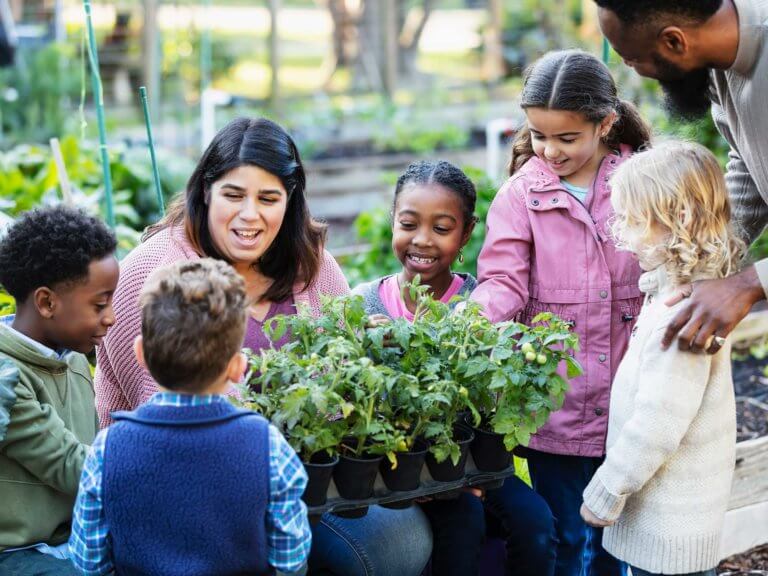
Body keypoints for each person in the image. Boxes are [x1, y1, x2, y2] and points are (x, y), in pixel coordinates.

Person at [94, 117, 432, 576]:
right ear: (206, 191)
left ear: (289, 201)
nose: (250, 215)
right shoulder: (153, 272)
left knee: (406, 540)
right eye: (234, 195)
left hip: (308, 476)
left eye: (268, 198)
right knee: (380, 550)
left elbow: (347, 379)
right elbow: (164, 408)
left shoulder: (313, 267)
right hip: (192, 484)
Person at [470, 49, 652, 576]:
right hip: (557, 405)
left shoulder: (640, 186)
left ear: (606, 123)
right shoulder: (521, 197)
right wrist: (472, 324)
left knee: (622, 538)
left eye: (566, 138)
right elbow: (502, 280)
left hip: (628, 403)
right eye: (539, 135)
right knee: (568, 537)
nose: (549, 150)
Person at [354, 160, 557, 576]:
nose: (422, 240)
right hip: (394, 471)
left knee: (535, 523)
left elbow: (496, 399)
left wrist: (468, 472)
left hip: (472, 464)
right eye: (409, 224)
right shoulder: (364, 305)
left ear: (466, 233)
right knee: (461, 523)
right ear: (393, 221)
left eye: (442, 229)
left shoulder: (480, 304)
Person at [70, 258, 312, 575]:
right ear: (238, 367)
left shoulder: (107, 449)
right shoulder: (268, 446)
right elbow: (291, 558)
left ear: (140, 353)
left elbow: (89, 561)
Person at [580, 141, 742, 576]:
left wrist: (608, 488)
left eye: (634, 221)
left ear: (678, 221)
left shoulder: (683, 318)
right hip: (667, 517)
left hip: (671, 526)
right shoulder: (678, 296)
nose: (624, 235)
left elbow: (659, 422)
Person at [594, 0, 768, 352]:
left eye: (632, 59)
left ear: (674, 42)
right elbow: (751, 158)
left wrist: (748, 284)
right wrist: (702, 251)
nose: (637, 72)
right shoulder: (719, 63)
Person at [0, 206, 119, 575]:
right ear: (47, 302)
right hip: (20, 551)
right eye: (100, 304)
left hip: (74, 535)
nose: (112, 316)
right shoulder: (8, 377)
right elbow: (72, 465)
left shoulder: (75, 359)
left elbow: (95, 447)